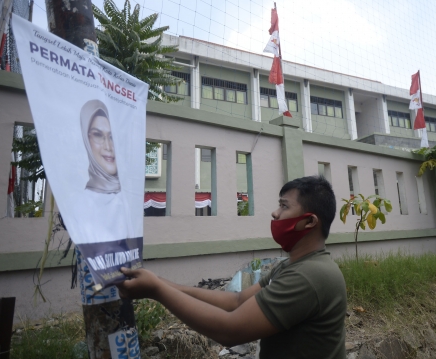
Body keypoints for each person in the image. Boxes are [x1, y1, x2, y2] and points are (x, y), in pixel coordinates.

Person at [117, 176, 347, 359]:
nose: (275, 213)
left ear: (310, 221)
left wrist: (157, 291)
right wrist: (162, 282)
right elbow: (237, 301)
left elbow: (230, 330)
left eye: (284, 206)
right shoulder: (292, 266)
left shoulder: (309, 276)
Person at [66, 100, 135, 243]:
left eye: (112, 137)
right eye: (98, 135)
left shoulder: (127, 197)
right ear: (86, 138)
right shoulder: (80, 201)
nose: (108, 146)